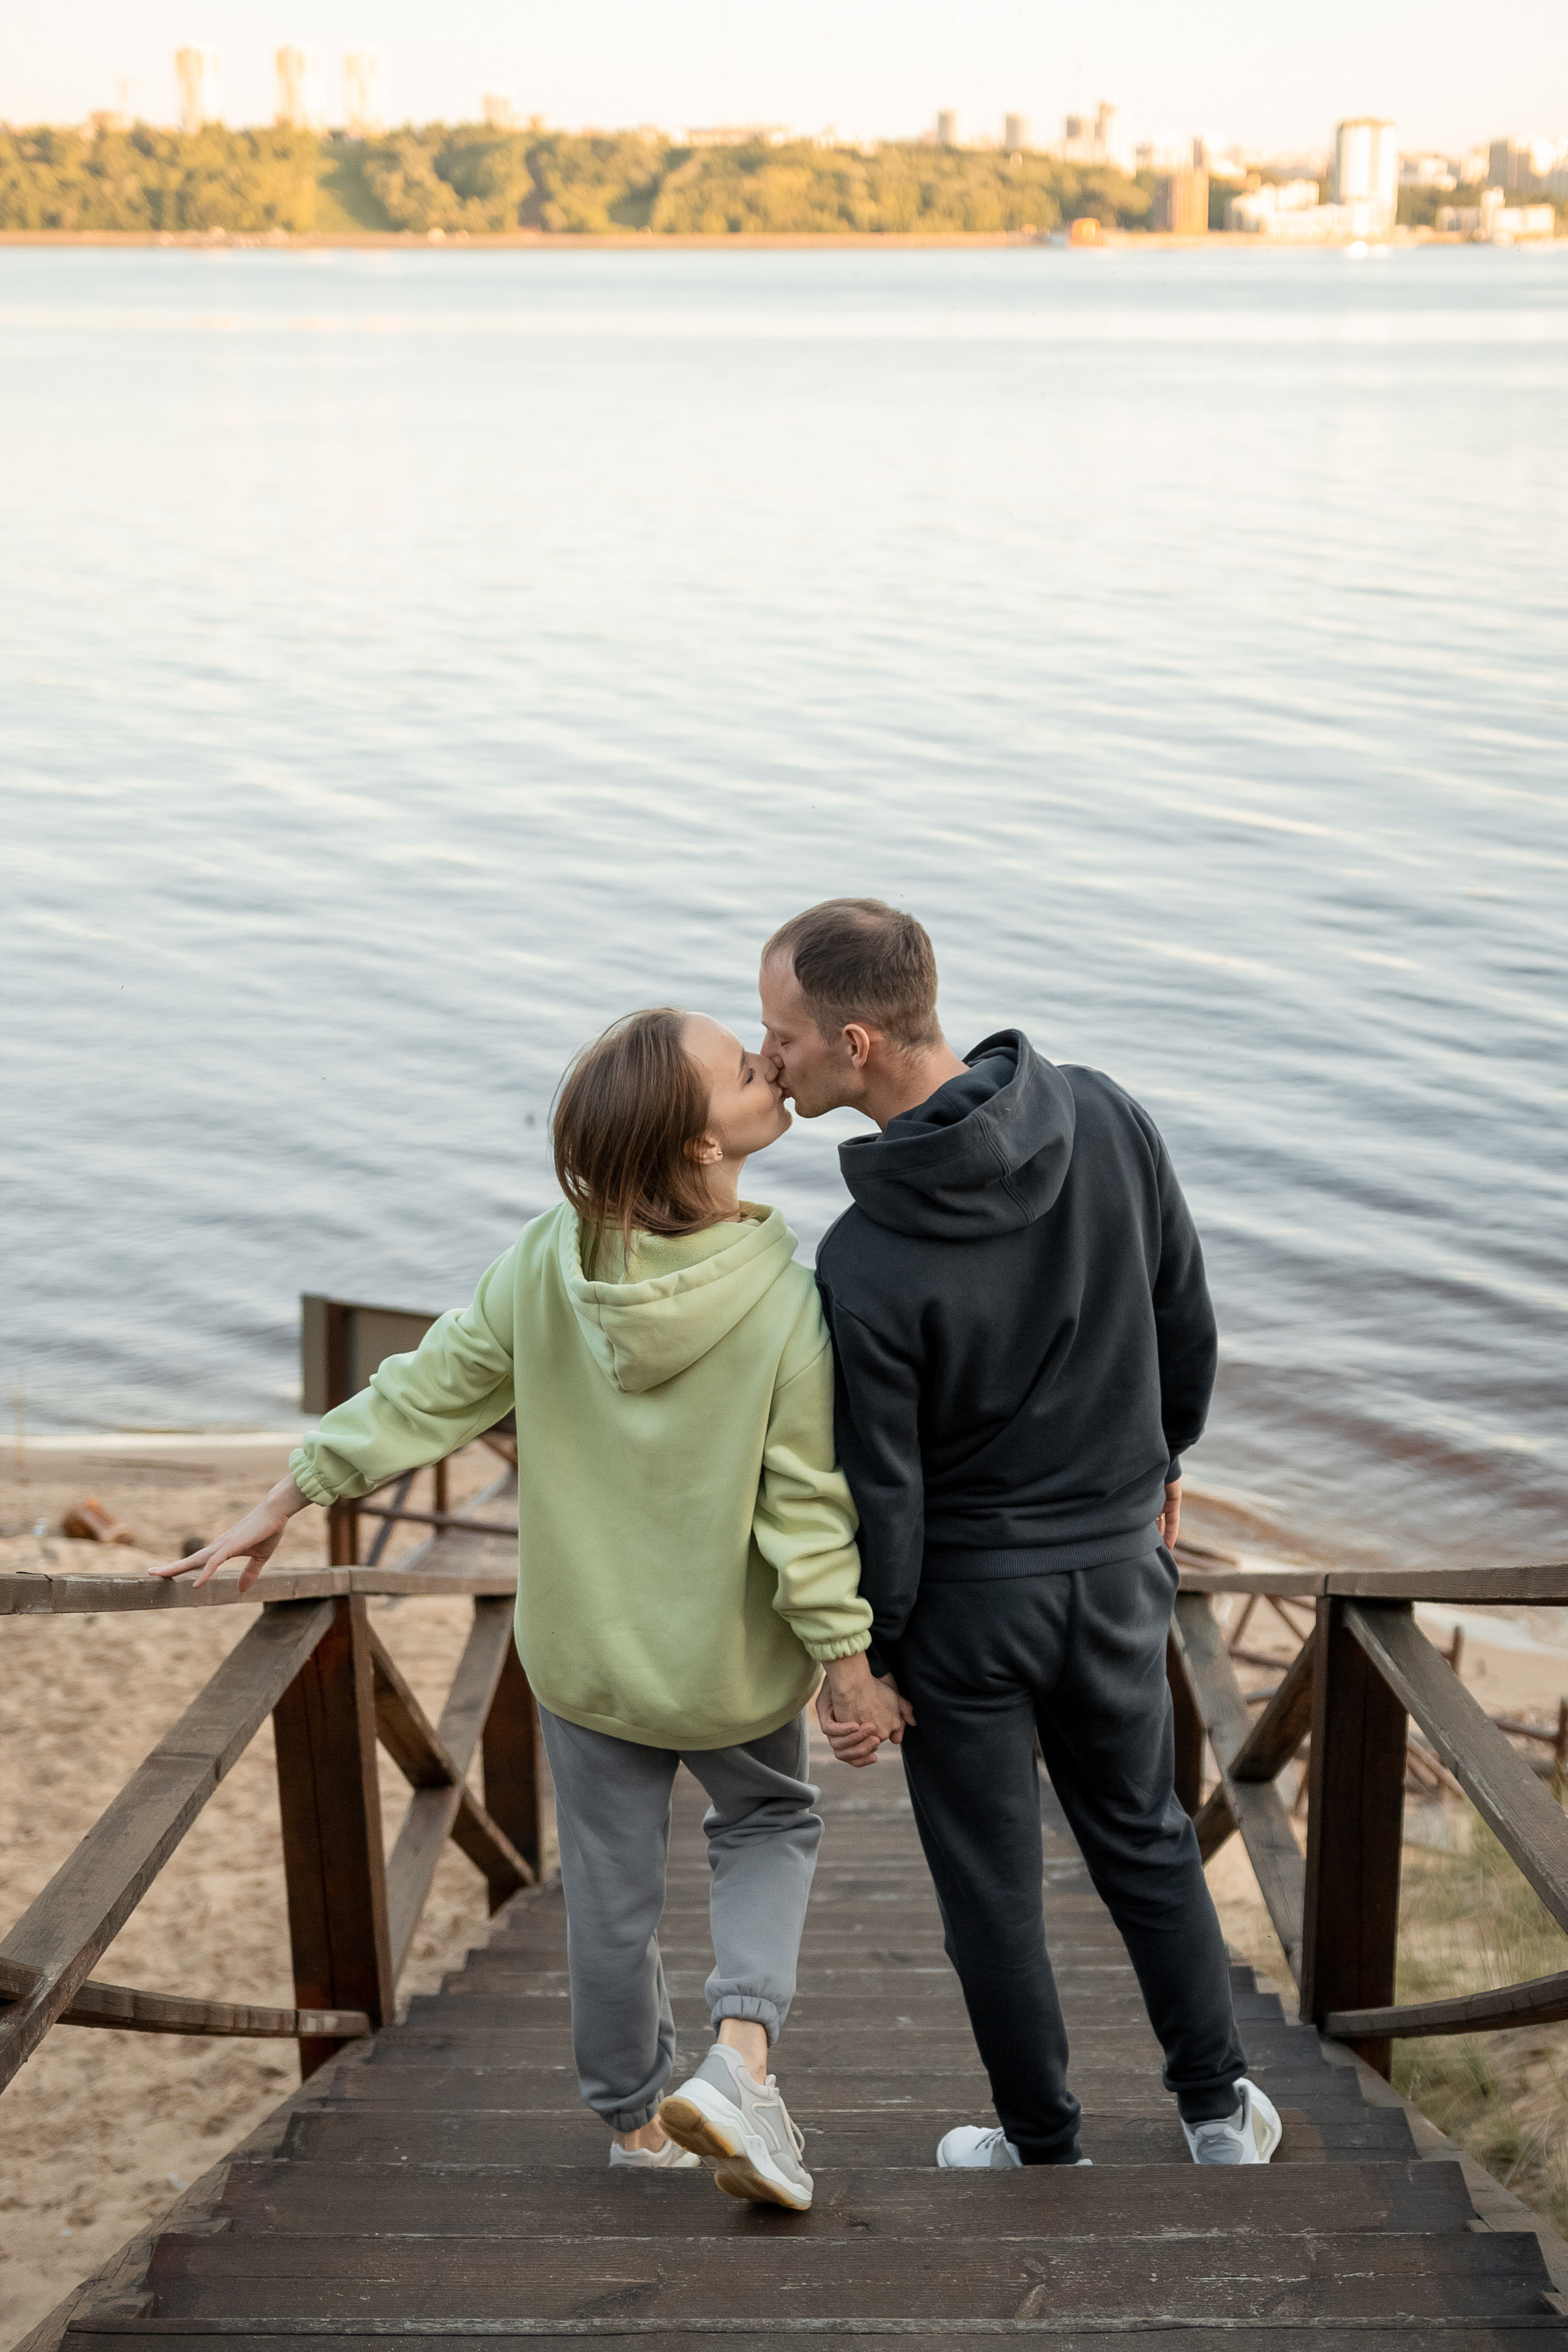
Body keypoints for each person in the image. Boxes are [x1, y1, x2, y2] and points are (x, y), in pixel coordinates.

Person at [153, 1007, 905, 2212]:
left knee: (608, 1888)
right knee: (766, 1827)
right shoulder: (783, 1303)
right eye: (739, 1066)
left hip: (582, 1655)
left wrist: (293, 1492)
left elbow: (427, 1390)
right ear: (700, 1151)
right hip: (723, 1665)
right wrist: (845, 1663)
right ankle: (739, 2056)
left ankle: (628, 2120)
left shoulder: (545, 1262)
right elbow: (804, 1511)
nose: (768, 1065)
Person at [758, 899, 1281, 2172]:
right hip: (1112, 1574)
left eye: (783, 1037)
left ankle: (1041, 2140)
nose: (767, 1059)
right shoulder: (1102, 1115)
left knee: (989, 1886)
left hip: (964, 1609)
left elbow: (880, 1486)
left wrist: (866, 1655)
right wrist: (1164, 1461)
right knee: (1146, 1838)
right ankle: (1216, 2113)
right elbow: (1182, 1319)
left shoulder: (864, 1258)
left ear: (860, 1041)